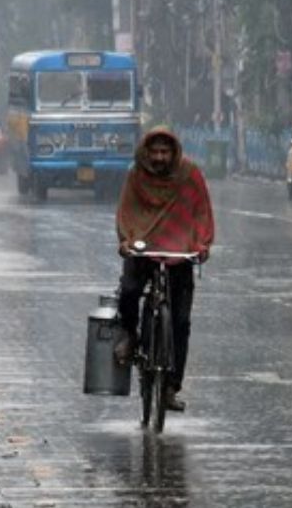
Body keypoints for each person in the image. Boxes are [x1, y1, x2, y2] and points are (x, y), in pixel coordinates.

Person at [113, 127, 215, 413]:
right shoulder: (136, 176)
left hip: (179, 252)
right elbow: (126, 212)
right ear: (146, 153)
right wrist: (127, 241)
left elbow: (201, 211)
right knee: (131, 289)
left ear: (174, 153)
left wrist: (201, 243)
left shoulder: (189, 175)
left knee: (181, 322)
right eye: (155, 152)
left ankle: (171, 386)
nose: (160, 158)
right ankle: (130, 335)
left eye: (165, 152)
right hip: (144, 249)